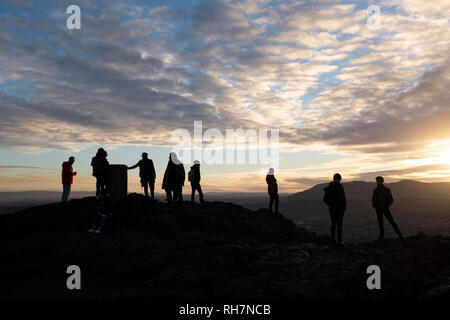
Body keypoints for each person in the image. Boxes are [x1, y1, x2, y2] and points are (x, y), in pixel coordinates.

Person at [323, 173, 347, 246]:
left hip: (332, 209)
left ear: (333, 179)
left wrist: (331, 205)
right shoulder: (340, 186)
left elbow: (325, 199)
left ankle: (333, 242)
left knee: (333, 225)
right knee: (339, 225)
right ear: (339, 179)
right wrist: (343, 207)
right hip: (339, 209)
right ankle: (339, 242)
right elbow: (343, 198)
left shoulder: (329, 187)